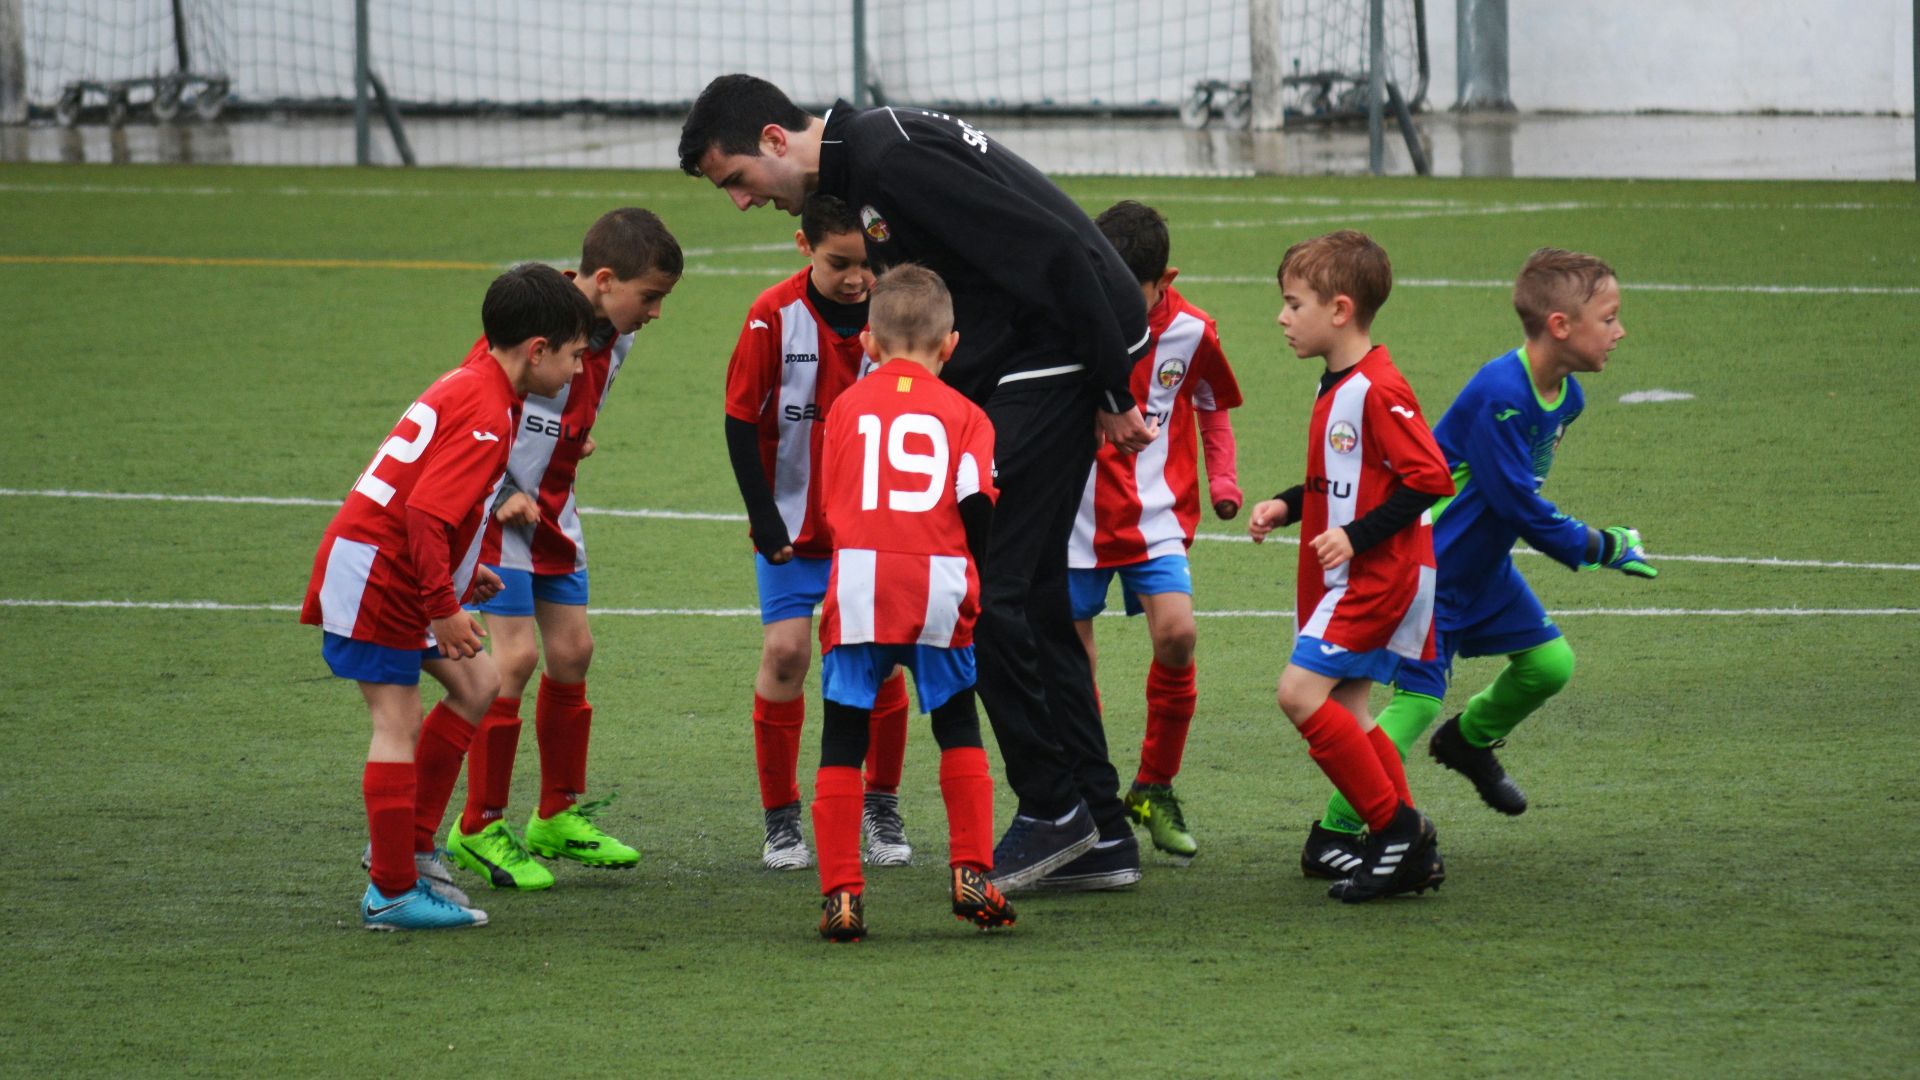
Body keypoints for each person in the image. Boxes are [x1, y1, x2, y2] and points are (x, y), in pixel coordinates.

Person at [679, 74, 1158, 894]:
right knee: (1037, 595)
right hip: (1049, 350)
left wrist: (1112, 388)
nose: (742, 201)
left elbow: (1055, 246)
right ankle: (1101, 830)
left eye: (737, 179)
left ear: (773, 140)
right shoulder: (867, 161)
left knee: (986, 587)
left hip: (1067, 349)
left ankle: (1054, 808)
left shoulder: (888, 160)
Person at [1301, 247, 1653, 876]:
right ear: (1560, 326)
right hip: (1432, 572)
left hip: (1485, 570)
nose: (1620, 331)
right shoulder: (1502, 393)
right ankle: (1336, 829)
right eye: (1609, 318)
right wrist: (1599, 546)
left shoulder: (1567, 398)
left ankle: (1468, 741)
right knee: (1412, 706)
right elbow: (1517, 503)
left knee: (1549, 665)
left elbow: (1512, 505)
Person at [301, 262, 595, 930]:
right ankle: (391, 891)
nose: (580, 370)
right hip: (381, 576)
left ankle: (412, 846)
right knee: (396, 722)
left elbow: (440, 502)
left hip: (397, 569)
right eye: (575, 355)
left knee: (478, 682)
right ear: (538, 350)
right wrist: (444, 605)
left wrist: (465, 577)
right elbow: (425, 516)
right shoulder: (489, 412)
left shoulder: (480, 384)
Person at [424, 209, 682, 893]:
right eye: (649, 296)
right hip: (501, 513)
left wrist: (574, 437)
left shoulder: (617, 335)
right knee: (513, 659)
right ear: (605, 281)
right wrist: (506, 488)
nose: (655, 312)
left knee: (573, 653)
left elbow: (574, 403)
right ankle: (478, 825)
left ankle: (557, 814)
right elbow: (474, 405)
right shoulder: (533, 321)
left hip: (554, 511)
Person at [1245, 230, 1454, 903]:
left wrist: (1356, 537)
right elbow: (1346, 477)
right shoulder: (1338, 382)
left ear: (1340, 310)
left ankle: (1395, 832)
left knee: (1299, 694)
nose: (1282, 317)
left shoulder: (1378, 387)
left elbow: (1429, 477)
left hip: (1375, 577)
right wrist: (1287, 504)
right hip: (1352, 573)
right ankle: (1411, 847)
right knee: (1350, 709)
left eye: (1293, 304)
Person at [810, 264, 1012, 941]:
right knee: (957, 725)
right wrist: (973, 571)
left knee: (844, 736)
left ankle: (842, 894)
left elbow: (832, 504)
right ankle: (971, 872)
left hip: (860, 582)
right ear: (950, 345)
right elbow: (976, 501)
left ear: (867, 343)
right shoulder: (967, 414)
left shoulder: (846, 407)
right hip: (937, 583)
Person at [723, 193, 913, 872]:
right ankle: (781, 820)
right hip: (790, 528)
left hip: (870, 529)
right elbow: (740, 421)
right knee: (785, 655)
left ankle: (881, 805)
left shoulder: (895, 319)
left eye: (867, 264)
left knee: (878, 661)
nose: (857, 279)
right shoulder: (771, 317)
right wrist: (764, 515)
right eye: (840, 264)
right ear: (805, 248)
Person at [1067, 200, 1243, 868]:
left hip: (1155, 516)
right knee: (1073, 663)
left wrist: (1223, 478)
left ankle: (1154, 786)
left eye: (1128, 291)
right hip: (1074, 517)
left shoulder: (1193, 331)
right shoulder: (1069, 320)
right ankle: (1089, 797)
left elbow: (1212, 404)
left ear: (1164, 280)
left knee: (1177, 634)